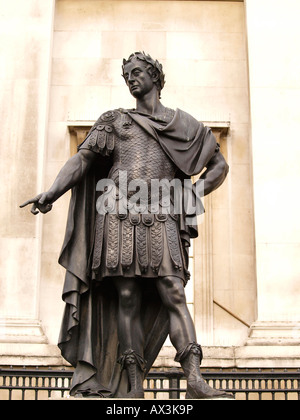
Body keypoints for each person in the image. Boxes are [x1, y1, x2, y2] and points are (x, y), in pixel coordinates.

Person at [20, 52, 232, 399]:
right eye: (126, 75)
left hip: (162, 214)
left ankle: (195, 379)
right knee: (128, 298)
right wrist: (52, 192)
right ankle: (133, 386)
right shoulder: (114, 121)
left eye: (137, 73)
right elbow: (82, 160)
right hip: (118, 215)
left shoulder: (185, 125)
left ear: (155, 76)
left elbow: (219, 166)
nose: (131, 79)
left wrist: (192, 194)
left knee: (174, 292)